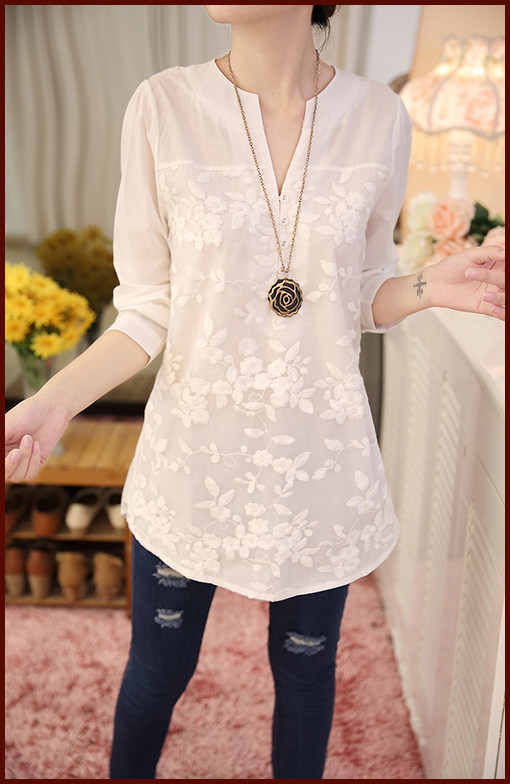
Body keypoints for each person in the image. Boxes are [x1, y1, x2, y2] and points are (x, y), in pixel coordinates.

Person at [5, 5, 505, 779]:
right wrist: (54, 403)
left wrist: (426, 285)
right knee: (156, 674)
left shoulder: (380, 116)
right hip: (194, 463)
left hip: (320, 470)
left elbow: (357, 290)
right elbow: (146, 309)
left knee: (306, 678)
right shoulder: (164, 107)